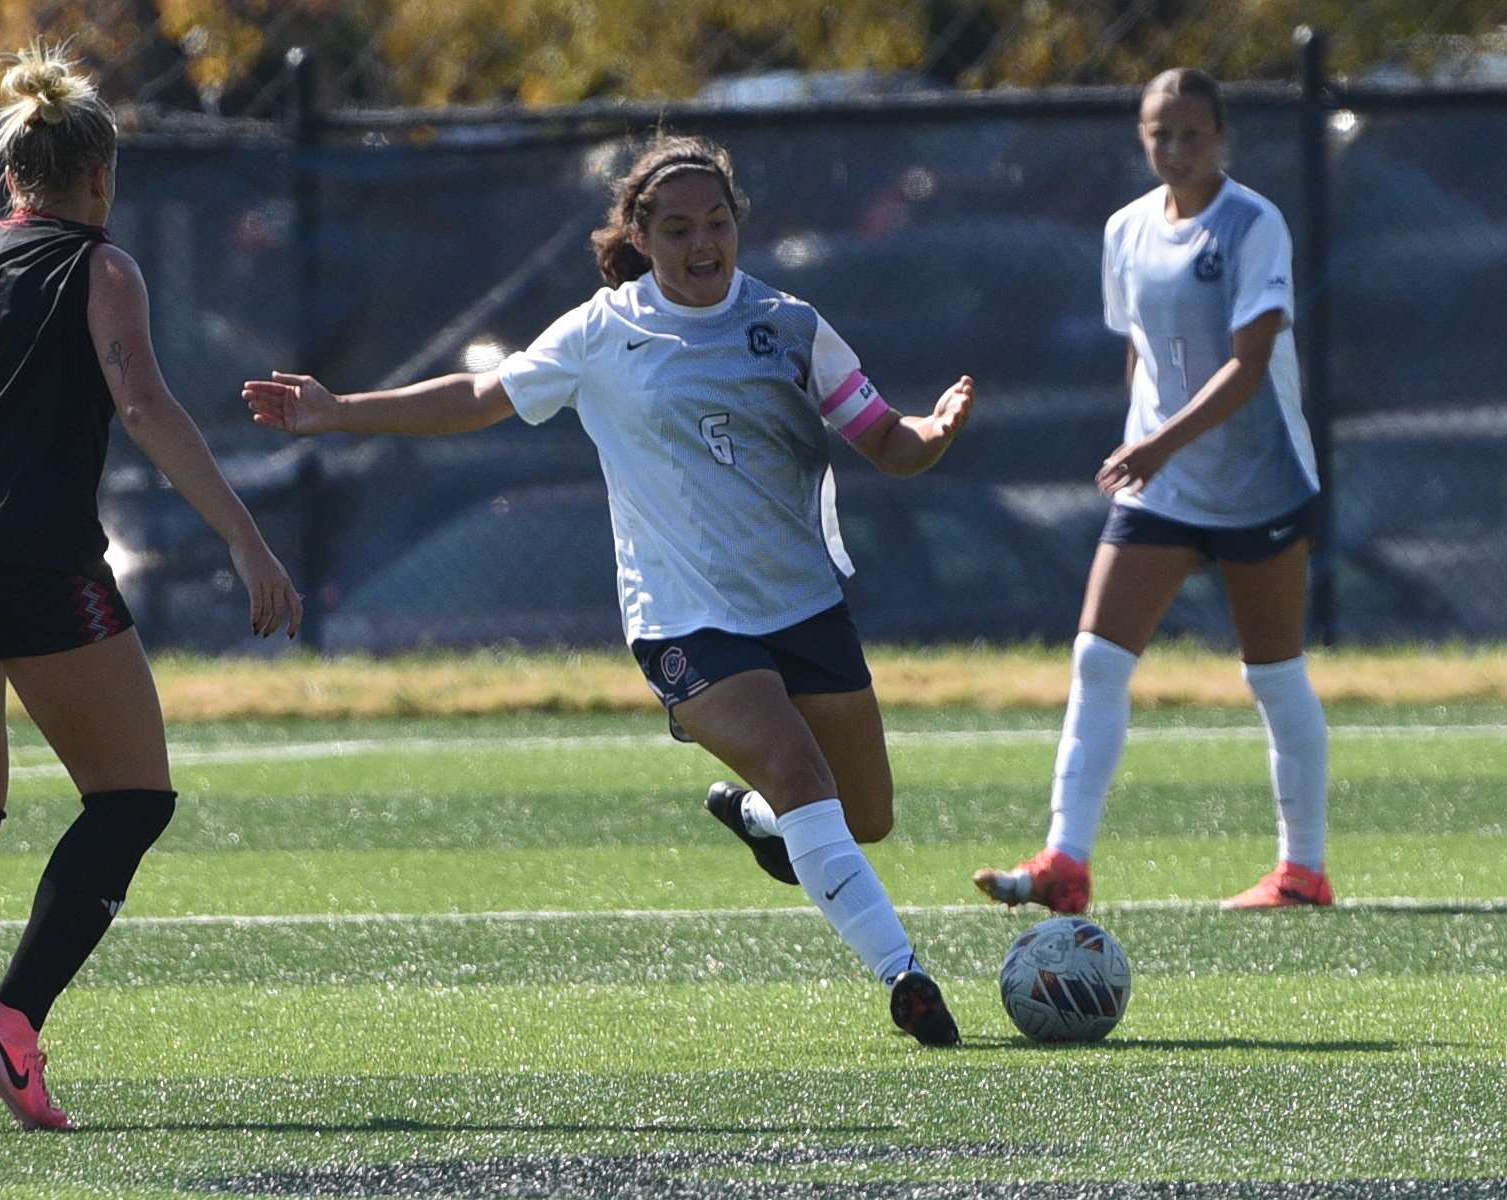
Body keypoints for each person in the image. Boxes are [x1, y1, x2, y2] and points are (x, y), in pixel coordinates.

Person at [246, 135, 973, 1046]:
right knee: (800, 771)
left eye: (716, 223)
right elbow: (479, 394)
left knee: (864, 816)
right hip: (684, 621)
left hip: (803, 606)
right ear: (641, 233)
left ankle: (758, 821)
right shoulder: (603, 331)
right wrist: (339, 410)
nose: (702, 243)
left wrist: (933, 432)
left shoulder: (789, 324)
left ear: (737, 223)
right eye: (677, 228)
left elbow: (888, 445)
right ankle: (905, 975)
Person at [0, 44, 303, 1131]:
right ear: (99, 176)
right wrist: (247, 541)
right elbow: (141, 405)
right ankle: (9, 1025)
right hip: (33, 558)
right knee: (132, 797)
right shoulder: (101, 265)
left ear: (13, 177)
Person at [974, 68, 1331, 915]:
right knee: (1097, 658)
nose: (1173, 149)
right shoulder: (1126, 229)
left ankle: (1302, 871)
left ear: (1221, 137)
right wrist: (1146, 441)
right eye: (1158, 133)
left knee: (1273, 676)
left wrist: (1155, 444)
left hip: (1257, 483)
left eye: (1191, 134)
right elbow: (1138, 345)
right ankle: (1066, 863)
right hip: (1161, 488)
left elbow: (1248, 366)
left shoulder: (1252, 224)